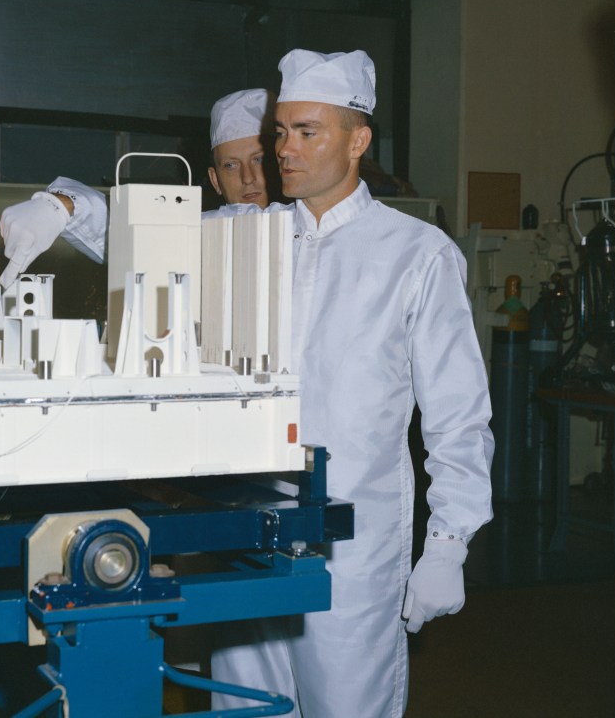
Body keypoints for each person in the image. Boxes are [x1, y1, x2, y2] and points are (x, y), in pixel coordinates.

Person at [209, 49, 494, 717]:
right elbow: (139, 234)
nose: (286, 149)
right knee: (244, 708)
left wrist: (450, 540)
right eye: (280, 131)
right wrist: (64, 204)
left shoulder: (417, 255)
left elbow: (458, 416)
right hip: (249, 532)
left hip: (354, 550)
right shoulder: (248, 235)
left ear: (359, 139)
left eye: (308, 131)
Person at [0, 88, 278, 286]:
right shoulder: (198, 235)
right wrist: (62, 206)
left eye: (259, 160)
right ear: (214, 180)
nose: (248, 177)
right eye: (231, 165)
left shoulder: (302, 227)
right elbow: (130, 232)